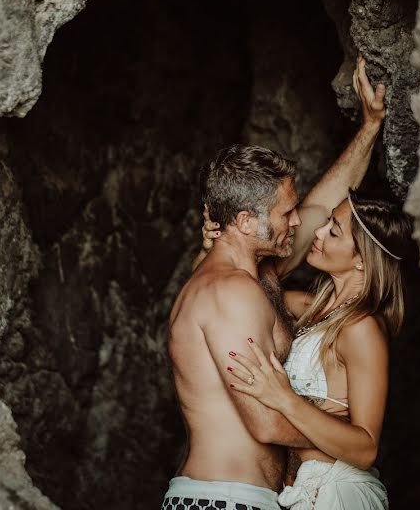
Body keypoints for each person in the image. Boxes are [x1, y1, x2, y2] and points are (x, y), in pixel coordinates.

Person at [162, 57, 388, 510]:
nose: (298, 220)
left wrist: (369, 128)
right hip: (224, 500)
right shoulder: (230, 291)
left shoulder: (258, 275)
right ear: (246, 222)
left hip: (244, 498)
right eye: (286, 213)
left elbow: (323, 205)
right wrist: (345, 442)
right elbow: (264, 422)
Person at [223, 194, 413, 510]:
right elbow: (244, 291)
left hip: (336, 492)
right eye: (326, 223)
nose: (319, 233)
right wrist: (218, 247)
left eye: (334, 231)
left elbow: (366, 448)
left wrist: (284, 398)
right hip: (300, 492)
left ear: (361, 260)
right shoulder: (312, 309)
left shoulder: (361, 328)